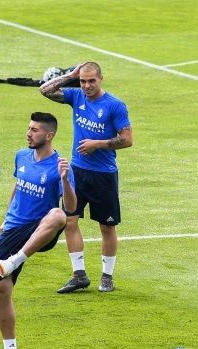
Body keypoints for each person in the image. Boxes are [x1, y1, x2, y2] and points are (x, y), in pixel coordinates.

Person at [0, 112, 76, 349]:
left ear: (49, 135)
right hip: (14, 230)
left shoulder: (60, 166)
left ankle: (16, 259)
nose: (28, 133)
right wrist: (5, 216)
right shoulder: (21, 156)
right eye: (28, 128)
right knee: (0, 292)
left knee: (58, 215)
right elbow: (18, 185)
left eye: (34, 130)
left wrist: (66, 180)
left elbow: (70, 207)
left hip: (39, 230)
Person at [40, 61, 133, 293]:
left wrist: (98, 144)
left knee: (107, 227)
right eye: (82, 81)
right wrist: (69, 75)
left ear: (101, 79)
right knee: (69, 221)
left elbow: (128, 139)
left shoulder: (115, 106)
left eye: (91, 81)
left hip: (104, 175)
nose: (87, 86)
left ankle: (107, 277)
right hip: (77, 172)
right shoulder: (76, 96)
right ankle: (78, 274)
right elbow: (45, 90)